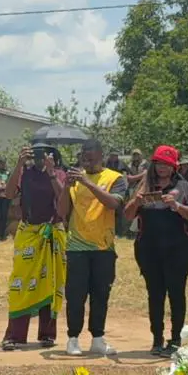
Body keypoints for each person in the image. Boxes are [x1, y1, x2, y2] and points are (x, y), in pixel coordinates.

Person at [125, 145, 188, 357]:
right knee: (155, 293)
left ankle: (175, 339)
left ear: (174, 167)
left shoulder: (183, 186)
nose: (162, 168)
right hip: (149, 248)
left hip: (178, 248)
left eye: (167, 164)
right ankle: (157, 338)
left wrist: (177, 206)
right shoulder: (145, 185)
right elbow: (127, 215)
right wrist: (136, 201)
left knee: (176, 293)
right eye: (159, 164)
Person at [59, 139, 127, 356]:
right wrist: (66, 187)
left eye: (91, 156)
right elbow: (62, 211)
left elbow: (113, 203)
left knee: (100, 294)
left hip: (103, 247)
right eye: (84, 156)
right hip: (77, 246)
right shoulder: (75, 180)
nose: (87, 160)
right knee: (75, 295)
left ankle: (98, 338)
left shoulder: (115, 178)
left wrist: (87, 183)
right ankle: (73, 339)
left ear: (101, 155)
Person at [0, 144, 68, 350]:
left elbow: (63, 200)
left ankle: (47, 334)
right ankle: (15, 335)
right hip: (28, 233)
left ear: (52, 156)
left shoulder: (59, 174)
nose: (40, 158)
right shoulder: (25, 174)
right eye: (36, 154)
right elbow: (9, 194)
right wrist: (19, 164)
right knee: (20, 283)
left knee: (50, 282)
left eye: (44, 154)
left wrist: (51, 173)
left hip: (52, 232)